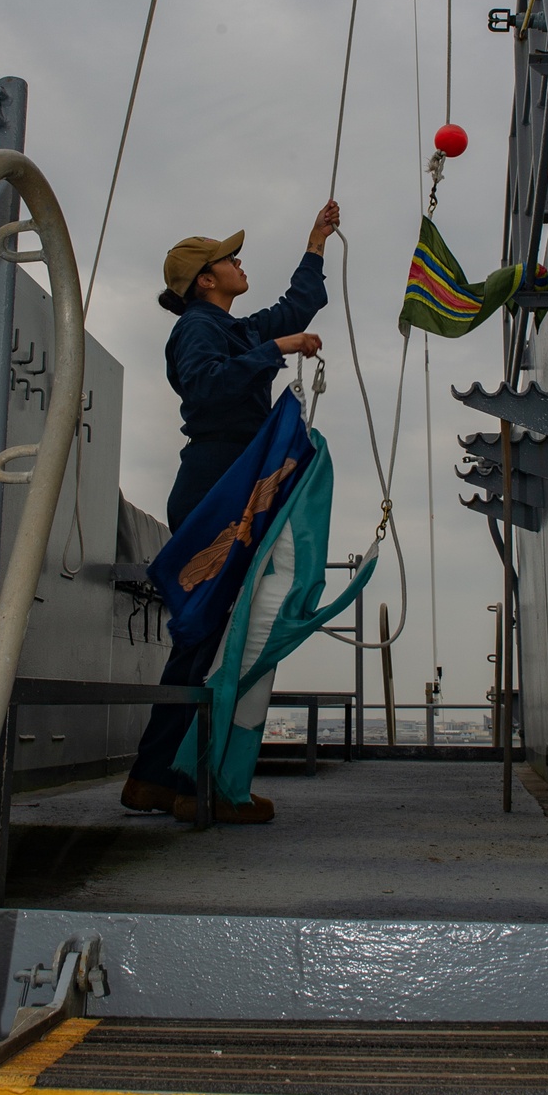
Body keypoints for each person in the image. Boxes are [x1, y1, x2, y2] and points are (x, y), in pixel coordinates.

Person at [120, 200, 339, 823]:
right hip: (217, 483)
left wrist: (315, 242)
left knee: (205, 640)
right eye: (228, 258)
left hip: (232, 483)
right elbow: (207, 387)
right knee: (209, 639)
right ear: (205, 279)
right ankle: (189, 781)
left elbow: (296, 308)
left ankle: (158, 776)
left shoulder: (231, 329)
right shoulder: (196, 329)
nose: (241, 262)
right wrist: (277, 350)